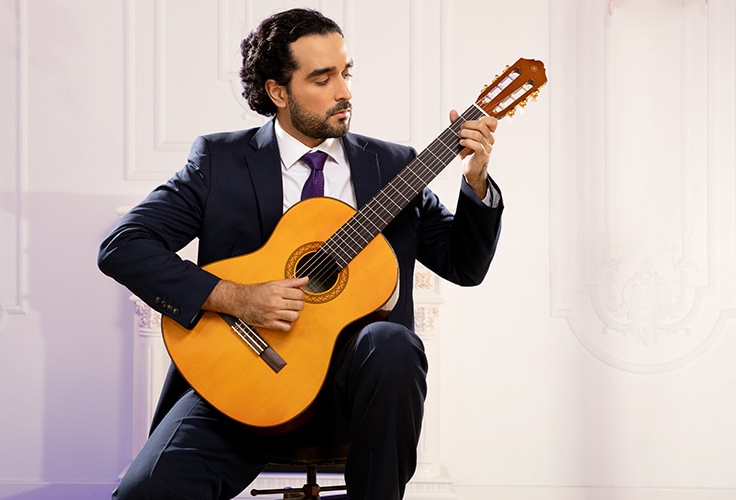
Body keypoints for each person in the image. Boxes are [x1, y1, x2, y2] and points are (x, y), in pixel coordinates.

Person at [98, 7, 503, 500]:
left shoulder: (395, 167)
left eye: (346, 73)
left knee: (392, 343)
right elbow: (124, 247)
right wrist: (236, 297)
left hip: (355, 397)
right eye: (322, 78)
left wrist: (476, 180)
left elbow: (465, 266)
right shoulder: (219, 160)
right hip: (243, 380)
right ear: (278, 91)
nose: (344, 92)